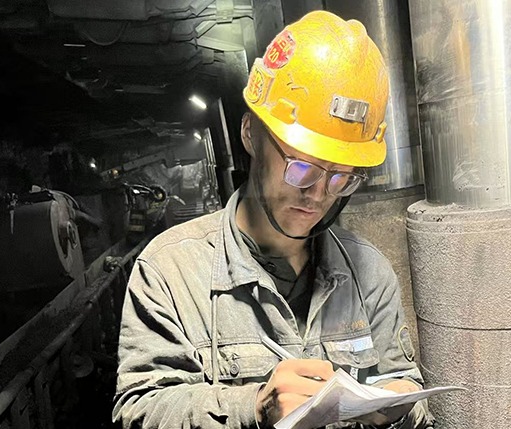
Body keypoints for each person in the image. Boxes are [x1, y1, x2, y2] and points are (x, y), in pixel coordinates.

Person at [113, 10, 434, 429]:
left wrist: (401, 406)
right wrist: (254, 407)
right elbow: (140, 409)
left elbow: (404, 384)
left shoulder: (368, 271)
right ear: (250, 134)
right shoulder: (171, 271)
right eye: (301, 167)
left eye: (341, 177)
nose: (318, 193)